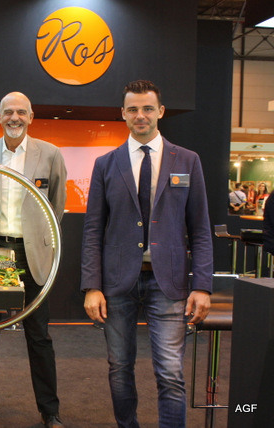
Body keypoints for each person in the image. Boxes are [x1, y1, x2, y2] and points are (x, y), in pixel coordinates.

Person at [81, 80, 213, 428]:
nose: (141, 115)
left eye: (148, 108)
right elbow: (93, 230)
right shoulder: (106, 164)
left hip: (168, 282)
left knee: (170, 372)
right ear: (123, 114)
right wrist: (92, 286)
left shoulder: (188, 160)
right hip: (117, 284)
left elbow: (200, 229)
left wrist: (202, 286)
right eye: (133, 109)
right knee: (119, 368)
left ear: (161, 112)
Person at [0, 91, 67, 428]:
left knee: (39, 336)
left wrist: (37, 236)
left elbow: (56, 206)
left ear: (31, 117)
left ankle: (49, 411)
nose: (14, 118)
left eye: (21, 112)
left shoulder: (50, 154)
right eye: (8, 112)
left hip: (33, 253)